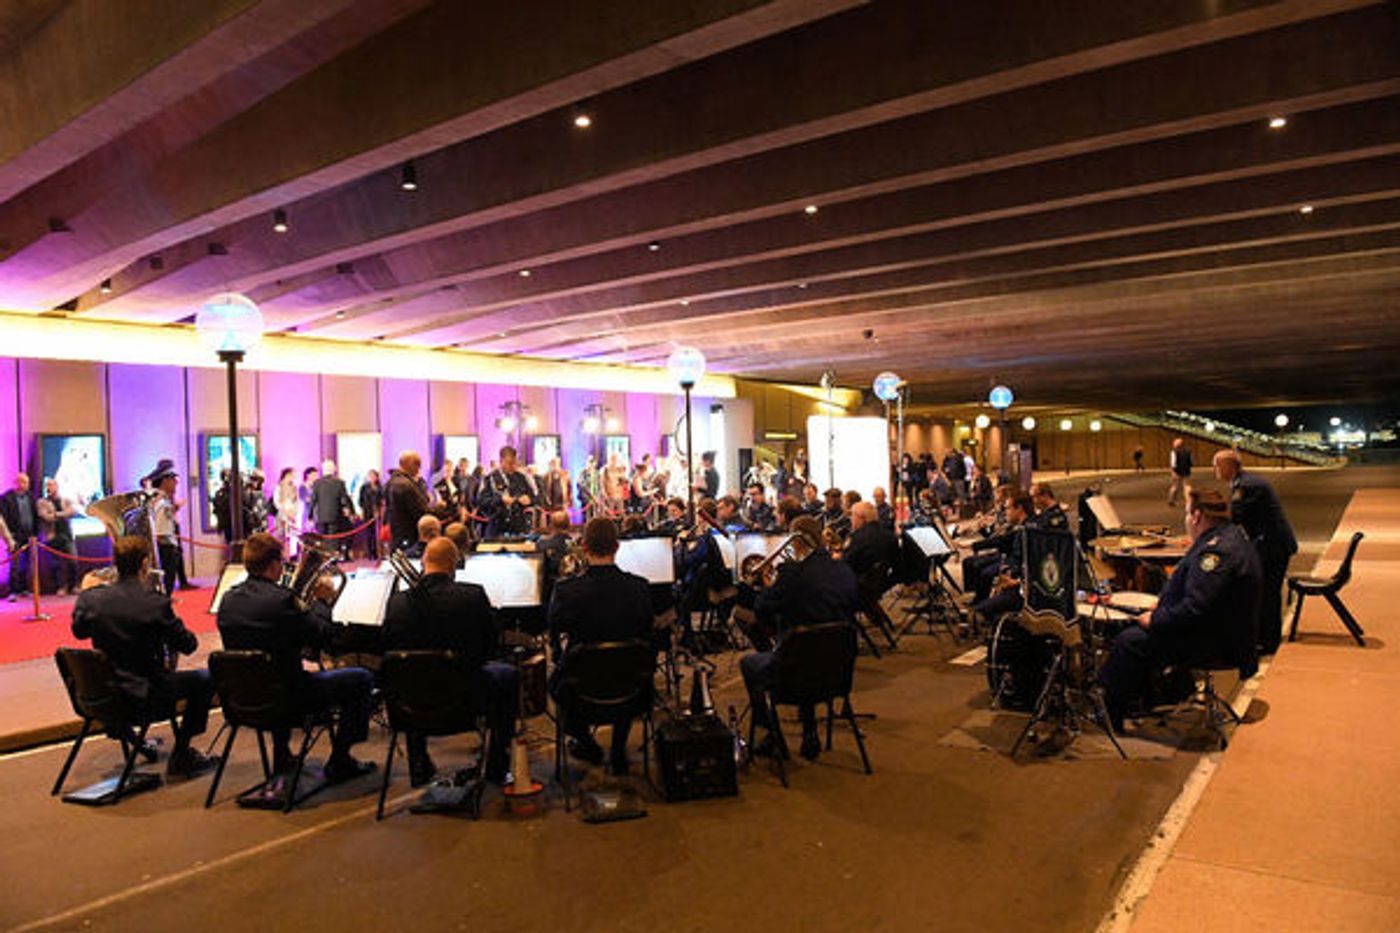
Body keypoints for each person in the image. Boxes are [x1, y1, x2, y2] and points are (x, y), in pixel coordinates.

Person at [216, 532, 375, 781]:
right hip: (289, 701)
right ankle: (341, 759)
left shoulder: (227, 601)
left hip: (242, 701)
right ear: (273, 565)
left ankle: (282, 755)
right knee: (361, 679)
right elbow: (324, 637)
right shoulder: (282, 601)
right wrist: (322, 602)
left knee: (271, 672)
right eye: (281, 562)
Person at [1099, 490, 1261, 731]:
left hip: (1215, 644)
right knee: (1137, 628)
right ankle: (1161, 693)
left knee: (1129, 640)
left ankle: (1111, 715)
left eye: (1187, 513)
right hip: (1225, 633)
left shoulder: (1215, 553)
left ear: (1196, 516)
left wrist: (1156, 619)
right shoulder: (1231, 536)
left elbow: (1196, 608)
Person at [72, 535, 215, 777]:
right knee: (205, 679)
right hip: (143, 696)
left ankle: (138, 743)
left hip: (103, 694)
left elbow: (79, 632)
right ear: (145, 564)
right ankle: (182, 753)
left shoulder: (91, 599)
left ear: (115, 563)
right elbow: (188, 645)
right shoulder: (154, 603)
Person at [383, 537, 516, 786]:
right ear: (454, 563)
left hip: (410, 709)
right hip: (466, 705)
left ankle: (418, 765)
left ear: (424, 562)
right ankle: (497, 765)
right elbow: (490, 647)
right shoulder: (472, 596)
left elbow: (388, 649)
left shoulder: (397, 603)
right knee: (508, 675)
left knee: (411, 674)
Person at [742, 516, 859, 761]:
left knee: (751, 663)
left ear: (796, 541)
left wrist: (768, 585)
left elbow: (761, 610)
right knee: (807, 645)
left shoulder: (791, 574)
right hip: (837, 670)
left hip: (794, 672)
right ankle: (809, 732)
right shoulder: (843, 569)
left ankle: (772, 735)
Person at [547, 517, 653, 775]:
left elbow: (554, 629)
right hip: (632, 690)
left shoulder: (566, 590)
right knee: (627, 665)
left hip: (579, 691)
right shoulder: (639, 588)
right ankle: (618, 749)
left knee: (554, 683)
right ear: (617, 547)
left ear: (584, 547)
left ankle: (587, 743)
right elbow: (647, 631)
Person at [1213, 449, 1297, 655]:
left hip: (1273, 547)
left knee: (1267, 594)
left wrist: (1210, 533)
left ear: (1228, 466)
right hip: (1269, 544)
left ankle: (1269, 642)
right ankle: (1263, 637)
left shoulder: (1247, 485)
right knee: (1263, 592)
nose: (1214, 470)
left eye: (1216, 465)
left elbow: (1234, 517)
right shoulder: (1244, 482)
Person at [479, 446, 536, 537]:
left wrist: (529, 499)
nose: (513, 466)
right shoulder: (490, 479)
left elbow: (535, 497)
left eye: (515, 463)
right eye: (509, 463)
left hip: (519, 527)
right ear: (501, 461)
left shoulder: (522, 478)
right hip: (497, 527)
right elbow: (481, 502)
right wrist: (500, 499)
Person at [147, 463, 185, 593]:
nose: (176, 482)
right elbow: (160, 532)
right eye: (173, 479)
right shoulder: (162, 503)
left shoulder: (156, 500)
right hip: (166, 548)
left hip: (163, 548)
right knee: (166, 587)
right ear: (164, 481)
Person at [38, 476, 79, 595]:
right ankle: (61, 587)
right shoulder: (42, 502)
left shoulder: (65, 500)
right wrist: (62, 514)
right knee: (56, 564)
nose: (49, 488)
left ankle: (73, 586)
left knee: (73, 561)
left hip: (67, 536)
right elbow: (46, 517)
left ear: (57, 486)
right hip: (52, 536)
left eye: (51, 485)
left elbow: (73, 511)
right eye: (47, 486)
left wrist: (56, 514)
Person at [385, 451, 430, 552]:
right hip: (409, 535)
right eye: (418, 466)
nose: (418, 470)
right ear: (411, 465)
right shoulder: (406, 485)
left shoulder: (390, 482)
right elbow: (420, 511)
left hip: (396, 534)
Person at [2, 473, 37, 601]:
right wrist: (8, 537)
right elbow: (3, 518)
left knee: (27, 564)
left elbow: (35, 516)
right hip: (14, 535)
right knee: (15, 565)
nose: (25, 485)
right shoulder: (6, 498)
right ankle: (13, 591)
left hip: (29, 536)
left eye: (27, 482)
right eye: (22, 482)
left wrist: (35, 533)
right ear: (16, 483)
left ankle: (24, 589)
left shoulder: (31, 497)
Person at [309, 460, 354, 551]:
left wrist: (310, 516)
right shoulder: (339, 483)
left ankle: (324, 556)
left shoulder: (317, 483)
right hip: (335, 515)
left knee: (323, 539)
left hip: (321, 516)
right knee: (334, 539)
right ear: (334, 470)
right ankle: (333, 556)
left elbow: (313, 500)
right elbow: (344, 498)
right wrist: (350, 511)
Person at [357, 468, 384, 559]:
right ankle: (370, 553)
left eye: (374, 476)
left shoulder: (381, 488)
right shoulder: (364, 488)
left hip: (378, 513)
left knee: (377, 534)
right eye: (370, 476)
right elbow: (360, 501)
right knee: (368, 533)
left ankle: (377, 552)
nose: (372, 478)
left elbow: (382, 500)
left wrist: (380, 510)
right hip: (367, 512)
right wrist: (362, 511)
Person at [274, 467, 301, 551]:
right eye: (292, 475)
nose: (293, 477)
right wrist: (285, 512)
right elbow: (277, 502)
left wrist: (294, 513)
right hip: (282, 515)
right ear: (287, 475)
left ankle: (290, 553)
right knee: (281, 536)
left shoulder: (294, 487)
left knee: (291, 537)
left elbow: (297, 502)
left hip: (291, 515)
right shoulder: (279, 487)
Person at [1167, 437, 1192, 507]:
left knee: (1175, 486)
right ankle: (1189, 501)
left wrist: (1173, 471)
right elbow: (1190, 462)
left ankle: (1171, 500)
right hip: (1186, 471)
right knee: (1187, 486)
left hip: (1177, 471)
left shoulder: (1174, 452)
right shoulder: (1188, 451)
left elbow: (1173, 463)